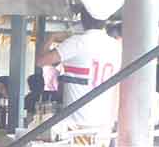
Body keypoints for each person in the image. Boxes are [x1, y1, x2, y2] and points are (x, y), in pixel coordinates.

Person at [37, 8, 121, 138]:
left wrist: (51, 37)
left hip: (77, 122)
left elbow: (41, 61)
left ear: (82, 20)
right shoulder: (115, 46)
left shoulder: (77, 42)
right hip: (104, 122)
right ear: (105, 21)